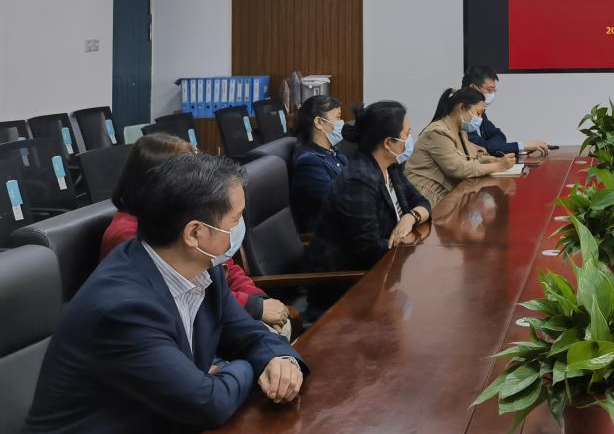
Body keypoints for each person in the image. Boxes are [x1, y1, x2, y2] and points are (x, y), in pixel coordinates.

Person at [14, 153, 306, 434]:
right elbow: (209, 403)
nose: (240, 228)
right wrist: (250, 366)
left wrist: (280, 360)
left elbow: (250, 336)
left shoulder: (205, 270)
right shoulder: (122, 307)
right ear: (194, 233)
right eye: (235, 220)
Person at [100, 133, 291, 337]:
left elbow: (224, 266)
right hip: (184, 325)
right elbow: (180, 296)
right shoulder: (129, 235)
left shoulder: (185, 219)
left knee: (274, 335)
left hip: (214, 313)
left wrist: (257, 299)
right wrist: (254, 307)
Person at [305, 100, 432, 272]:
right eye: (407, 134)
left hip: (388, 265)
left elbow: (423, 203)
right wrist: (407, 243)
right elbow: (369, 251)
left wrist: (410, 218)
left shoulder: (391, 168)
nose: (410, 140)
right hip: (348, 279)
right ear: (388, 143)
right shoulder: (359, 181)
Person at [406, 87, 516, 207]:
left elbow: (473, 156)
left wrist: (497, 160)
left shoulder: (460, 131)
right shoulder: (437, 132)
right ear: (462, 108)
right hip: (425, 199)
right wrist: (497, 166)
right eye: (478, 113)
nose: (480, 119)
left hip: (445, 197)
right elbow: (458, 169)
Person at [462, 65, 549, 158]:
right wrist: (523, 145)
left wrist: (493, 145)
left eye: (494, 91)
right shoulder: (462, 113)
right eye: (489, 90)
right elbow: (482, 147)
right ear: (473, 88)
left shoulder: (480, 111)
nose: (492, 94)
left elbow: (499, 135)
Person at [289, 94, 346, 232]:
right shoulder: (308, 163)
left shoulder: (335, 154)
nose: (341, 123)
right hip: (331, 236)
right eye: (338, 118)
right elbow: (338, 202)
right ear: (319, 122)